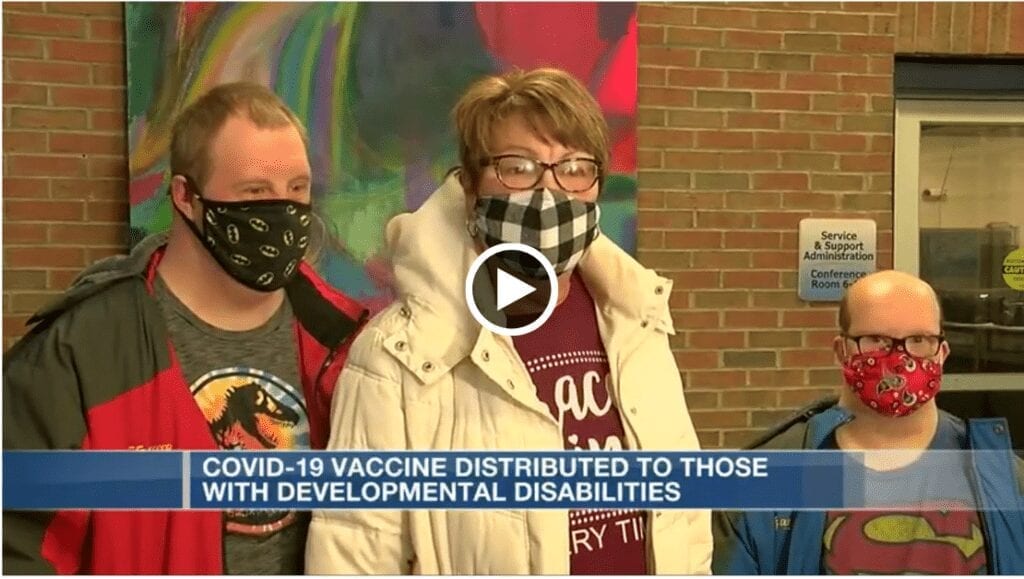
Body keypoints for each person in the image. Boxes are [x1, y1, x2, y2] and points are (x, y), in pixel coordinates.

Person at [305, 67, 711, 574]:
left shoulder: (637, 322)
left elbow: (686, 521)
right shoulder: (398, 356)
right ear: (471, 186)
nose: (548, 190)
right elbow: (355, 552)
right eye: (518, 167)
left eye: (574, 167)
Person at [2, 82, 366, 574]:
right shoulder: (81, 352)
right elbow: (22, 547)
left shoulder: (346, 341)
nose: (284, 212)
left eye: (297, 189)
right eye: (255, 192)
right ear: (185, 197)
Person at [712, 270, 1024, 575]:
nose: (900, 358)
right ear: (841, 351)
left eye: (918, 339)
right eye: (876, 339)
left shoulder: (1004, 480)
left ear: (942, 353)